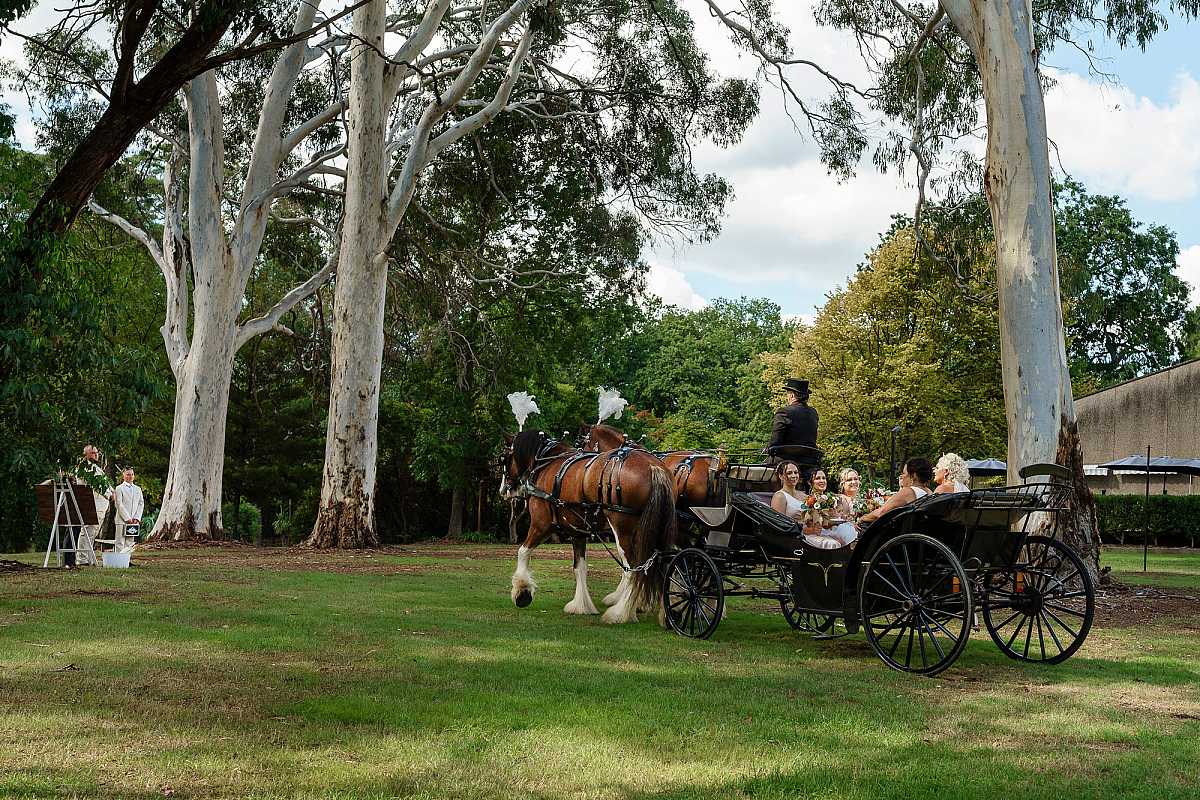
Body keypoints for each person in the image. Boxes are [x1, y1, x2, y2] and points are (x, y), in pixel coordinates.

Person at [857, 457, 934, 526]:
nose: (902, 476)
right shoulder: (929, 492)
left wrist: (863, 518)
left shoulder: (909, 492)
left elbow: (881, 513)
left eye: (904, 473)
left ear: (913, 476)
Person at [767, 378, 818, 463]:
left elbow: (775, 441)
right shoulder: (813, 413)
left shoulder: (784, 412)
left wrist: (768, 449)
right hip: (810, 461)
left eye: (788, 394)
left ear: (792, 395)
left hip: (786, 460)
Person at [806, 468, 858, 547]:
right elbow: (811, 523)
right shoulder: (808, 500)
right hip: (820, 531)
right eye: (817, 478)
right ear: (810, 482)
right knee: (847, 532)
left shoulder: (831, 498)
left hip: (833, 528)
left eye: (824, 478)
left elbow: (838, 516)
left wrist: (844, 519)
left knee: (850, 529)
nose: (822, 481)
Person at [113, 467, 144, 551]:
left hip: (134, 520)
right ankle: (119, 562)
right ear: (123, 476)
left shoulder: (138, 489)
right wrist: (127, 518)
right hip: (121, 520)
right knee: (120, 541)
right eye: (128, 474)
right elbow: (119, 504)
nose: (130, 476)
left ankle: (127, 561)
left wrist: (137, 518)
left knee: (130, 542)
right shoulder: (119, 488)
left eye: (132, 474)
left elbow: (141, 503)